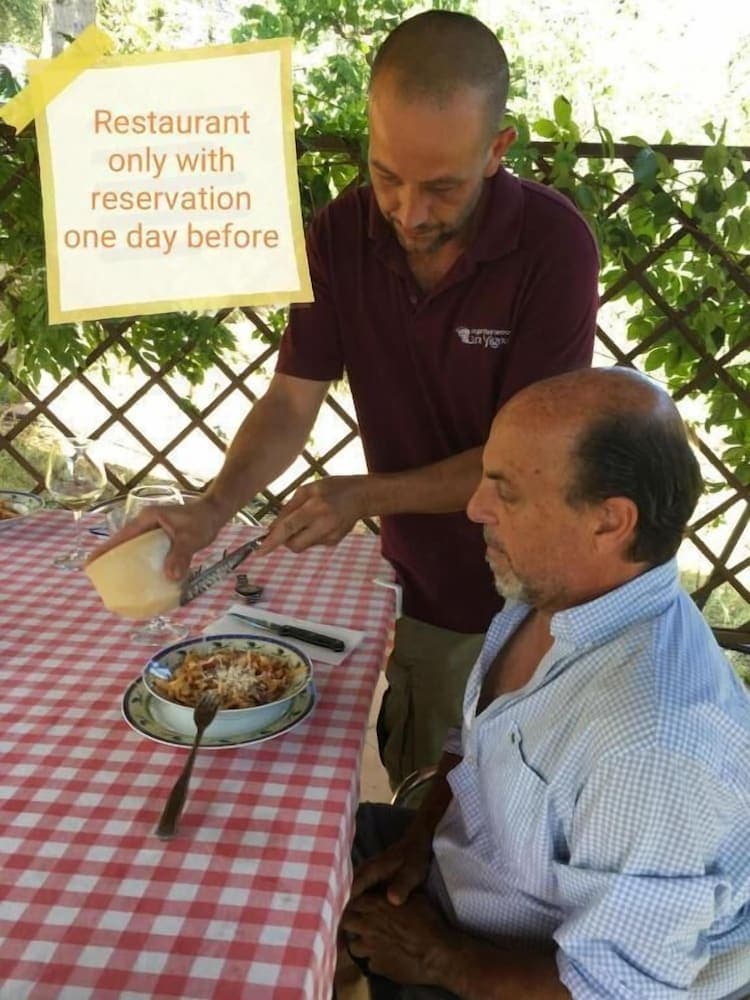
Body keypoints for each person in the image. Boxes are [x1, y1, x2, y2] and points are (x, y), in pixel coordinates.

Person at [100, 11, 599, 789]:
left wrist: (366, 494)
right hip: (420, 583)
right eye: (386, 174)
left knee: (507, 807)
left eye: (443, 187)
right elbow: (290, 401)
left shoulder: (553, 246)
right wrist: (214, 505)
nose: (409, 211)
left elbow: (526, 461)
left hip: (530, 593)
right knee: (416, 787)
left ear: (497, 149)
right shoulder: (339, 233)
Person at [341, 367, 750, 999]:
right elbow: (476, 742)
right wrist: (420, 839)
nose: (475, 508)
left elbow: (616, 989)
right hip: (458, 877)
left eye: (505, 492)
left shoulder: (652, 745)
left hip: (514, 972)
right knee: (267, 850)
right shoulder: (548, 595)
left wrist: (440, 960)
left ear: (609, 521)